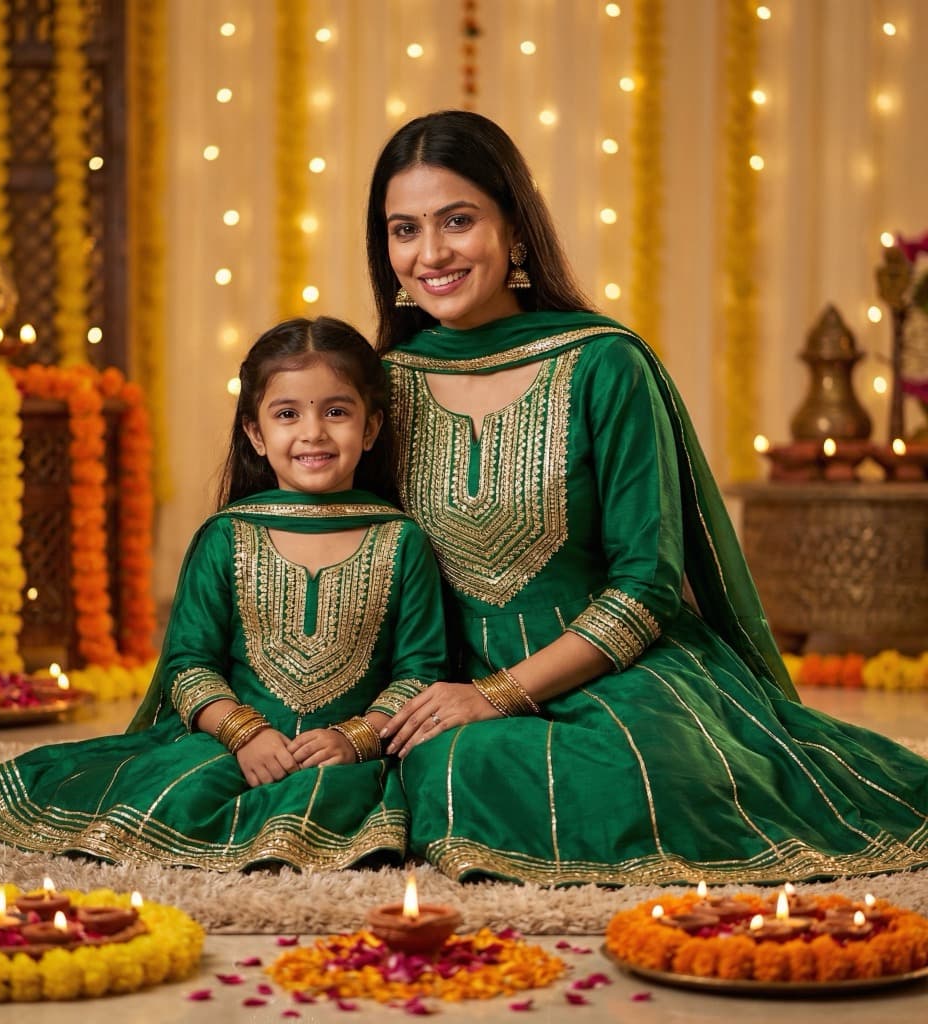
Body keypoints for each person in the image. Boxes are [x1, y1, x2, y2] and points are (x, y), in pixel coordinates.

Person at [366, 109, 928, 885]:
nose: (430, 254)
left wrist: (495, 695)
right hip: (439, 679)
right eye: (404, 230)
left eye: (457, 221)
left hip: (608, 672)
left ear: (516, 230)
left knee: (649, 777)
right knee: (440, 767)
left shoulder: (604, 363)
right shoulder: (376, 388)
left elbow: (647, 585)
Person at [0, 316, 448, 871]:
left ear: (369, 430)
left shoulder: (401, 540)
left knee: (352, 803)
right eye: (287, 414)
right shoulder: (227, 535)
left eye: (337, 412)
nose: (313, 433)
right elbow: (189, 664)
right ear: (255, 433)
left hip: (347, 752)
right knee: (169, 789)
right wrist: (245, 734)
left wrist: (354, 739)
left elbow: (420, 671)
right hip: (238, 742)